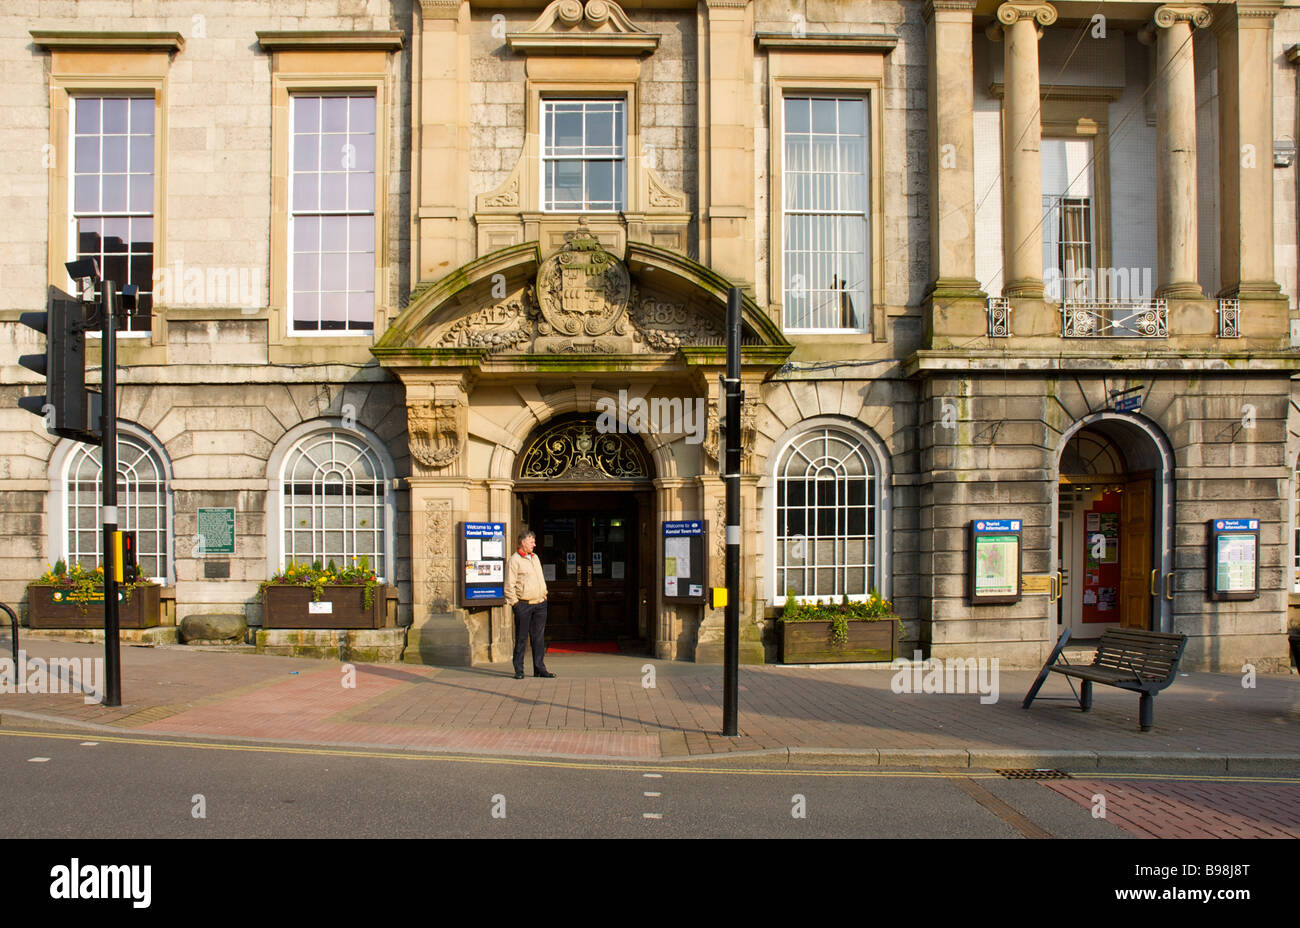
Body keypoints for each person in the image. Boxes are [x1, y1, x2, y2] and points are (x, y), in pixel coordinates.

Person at [505, 529, 555, 679]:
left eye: (534, 540)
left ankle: (539, 668)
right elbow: (509, 585)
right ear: (523, 542)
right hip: (524, 604)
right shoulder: (514, 560)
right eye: (531, 541)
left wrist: (544, 595)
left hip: (540, 603)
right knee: (521, 638)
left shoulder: (535, 557)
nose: (534, 544)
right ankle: (519, 669)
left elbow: (539, 578)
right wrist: (516, 604)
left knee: (538, 638)